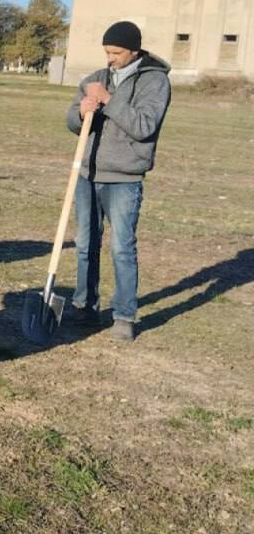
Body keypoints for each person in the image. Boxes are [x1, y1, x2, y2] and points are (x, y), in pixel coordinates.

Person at [66, 20, 171, 341]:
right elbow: (71, 119)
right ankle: (84, 307)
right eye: (107, 52)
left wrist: (110, 101)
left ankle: (124, 315)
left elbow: (143, 126)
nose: (110, 58)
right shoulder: (95, 79)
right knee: (85, 244)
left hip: (124, 177)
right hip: (87, 173)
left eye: (116, 52)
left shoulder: (155, 82)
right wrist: (81, 112)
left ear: (134, 51)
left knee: (121, 247)